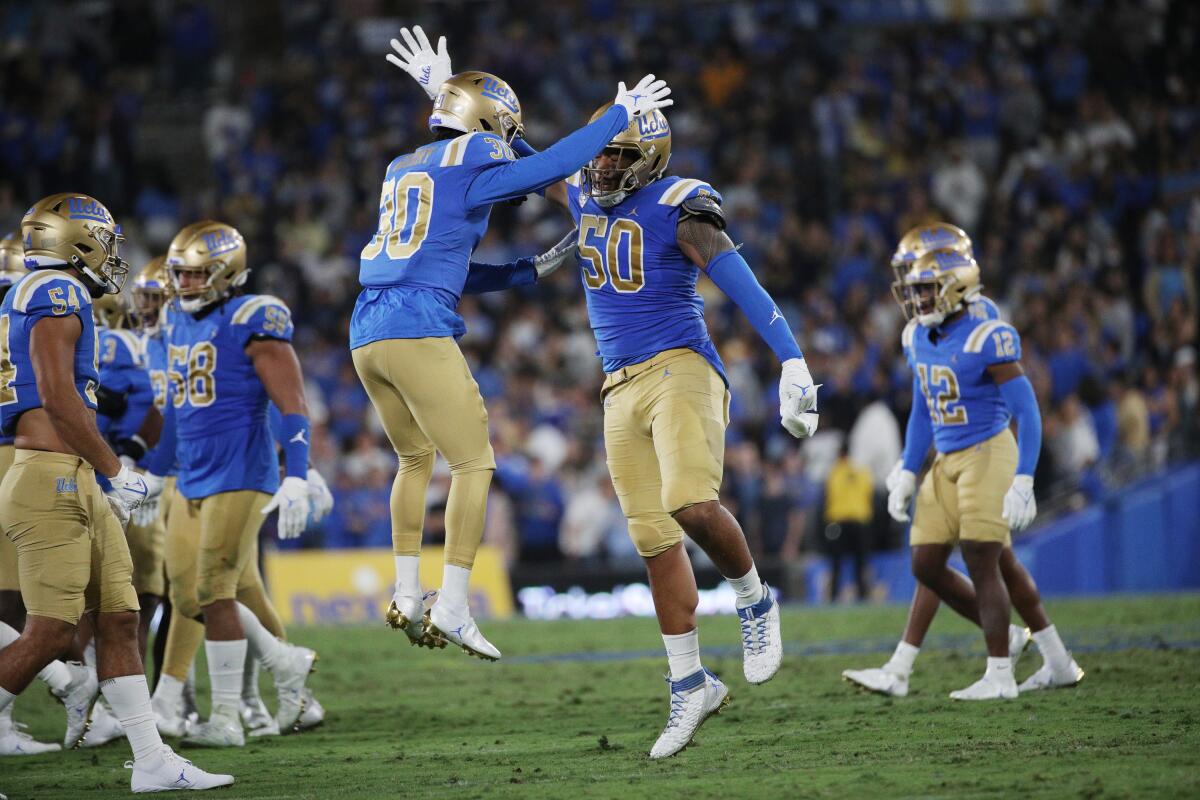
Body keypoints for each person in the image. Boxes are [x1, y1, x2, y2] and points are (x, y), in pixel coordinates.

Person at [392, 28, 818, 757]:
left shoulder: (680, 204)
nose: (602, 166)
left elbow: (736, 280)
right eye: (601, 154)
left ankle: (753, 596)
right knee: (654, 544)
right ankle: (691, 689)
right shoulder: (585, 191)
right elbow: (525, 156)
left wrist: (791, 359)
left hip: (681, 364)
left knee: (689, 503)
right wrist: (445, 97)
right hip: (617, 386)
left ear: (647, 159)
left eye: (617, 154)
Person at [359, 25, 672, 661]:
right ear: (488, 126)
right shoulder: (476, 158)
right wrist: (618, 111)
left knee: (414, 460)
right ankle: (451, 605)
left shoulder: (401, 165)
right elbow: (555, 166)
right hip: (417, 325)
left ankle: (408, 591)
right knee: (475, 464)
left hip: (366, 327)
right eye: (501, 128)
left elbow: (435, 261)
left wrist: (524, 271)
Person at [0, 193, 231, 790]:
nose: (111, 255)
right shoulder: (58, 291)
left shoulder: (46, 293)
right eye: (103, 240)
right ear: (77, 242)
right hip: (51, 475)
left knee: (121, 617)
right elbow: (57, 398)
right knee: (49, 630)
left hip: (68, 472)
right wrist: (115, 468)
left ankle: (152, 761)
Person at [844, 223, 1082, 698]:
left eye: (927, 287)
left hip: (987, 452)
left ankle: (999, 673)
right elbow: (923, 406)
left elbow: (1027, 410)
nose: (918, 298)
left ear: (954, 284)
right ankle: (1054, 658)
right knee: (927, 563)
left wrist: (1024, 478)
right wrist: (909, 468)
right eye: (915, 288)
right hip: (947, 457)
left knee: (982, 557)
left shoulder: (985, 333)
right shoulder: (917, 335)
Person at [157, 220, 329, 746]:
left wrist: (298, 476)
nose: (184, 285)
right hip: (191, 474)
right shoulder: (171, 320)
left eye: (196, 275)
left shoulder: (253, 316)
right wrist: (146, 471)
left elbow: (292, 405)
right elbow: (177, 412)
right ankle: (284, 663)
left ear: (225, 273)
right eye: (179, 274)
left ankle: (227, 719)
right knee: (188, 598)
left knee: (213, 590)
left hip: (241, 472)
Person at [822, 442, 873, 602]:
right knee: (861, 561)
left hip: (839, 522)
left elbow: (830, 495)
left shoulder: (835, 472)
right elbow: (868, 493)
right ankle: (862, 595)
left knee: (836, 562)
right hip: (859, 521)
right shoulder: (862, 471)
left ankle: (834, 596)